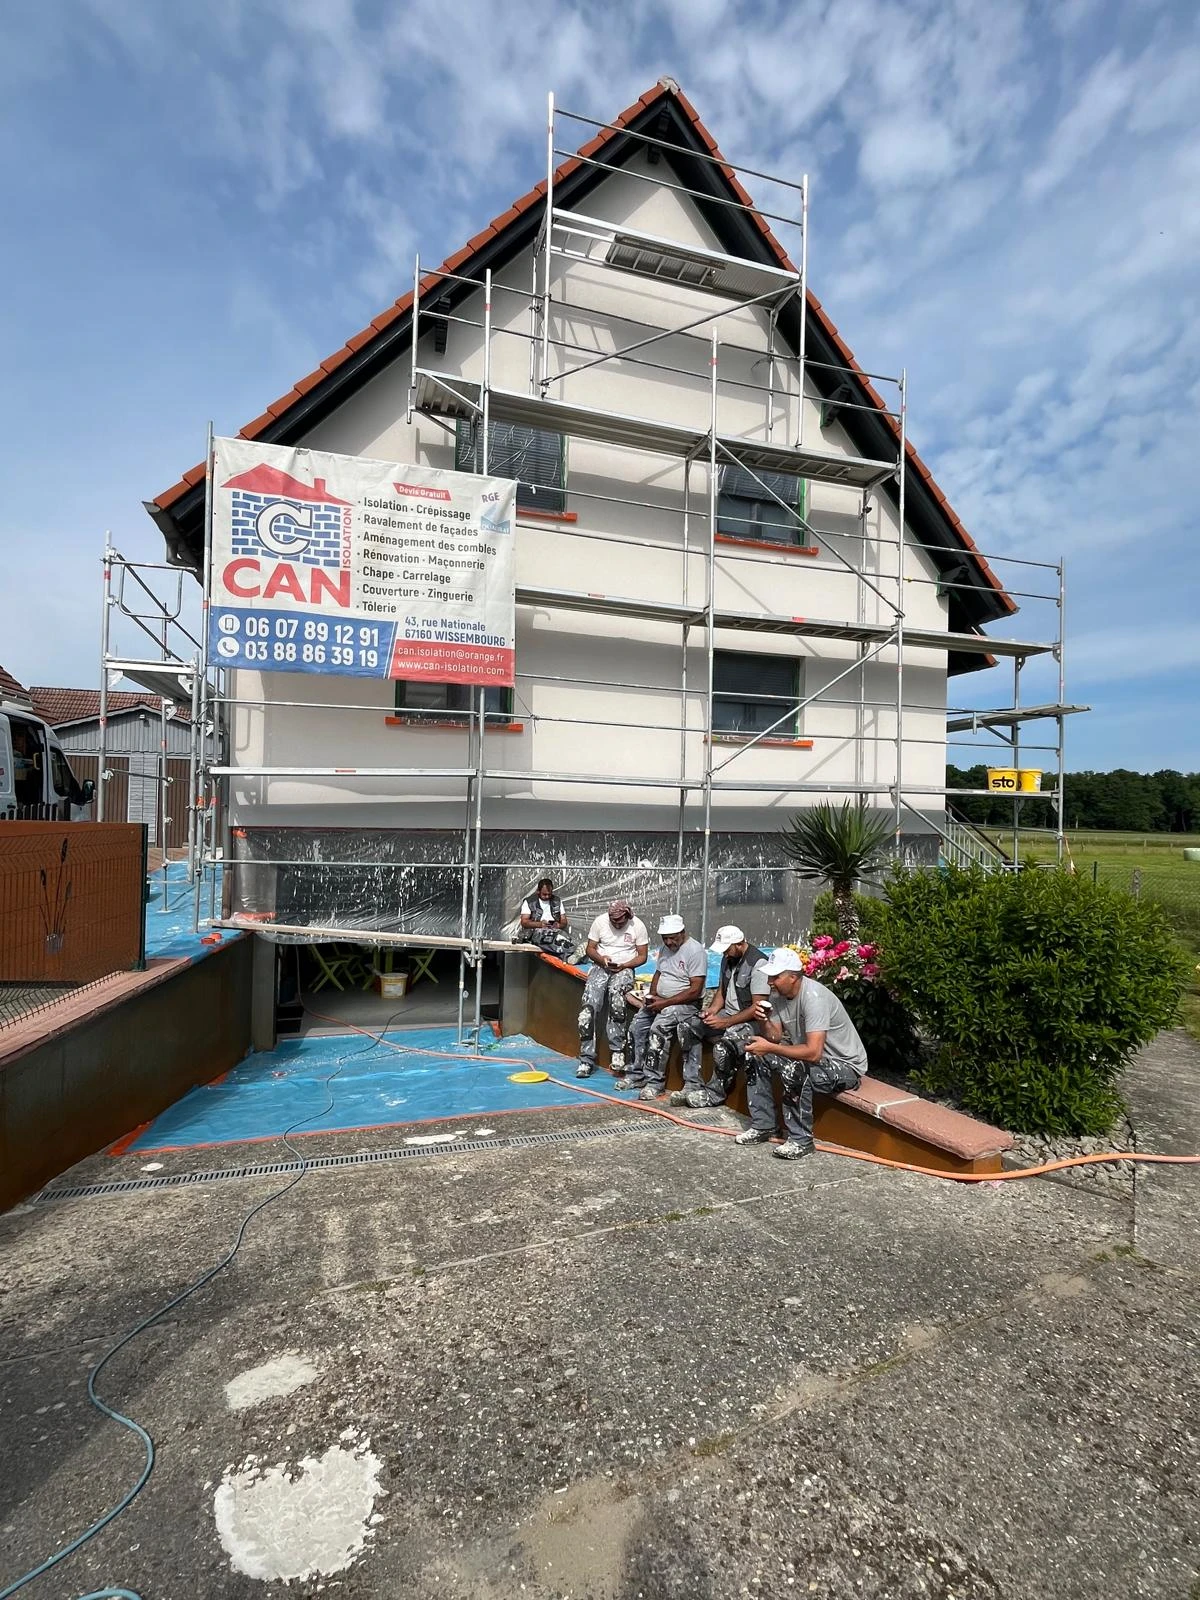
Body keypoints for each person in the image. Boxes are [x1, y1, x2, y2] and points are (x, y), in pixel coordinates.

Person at [738, 948, 868, 1159]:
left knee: (794, 1069)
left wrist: (770, 1048)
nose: (770, 981)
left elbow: (813, 1053)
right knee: (755, 1055)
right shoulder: (778, 995)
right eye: (770, 976)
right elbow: (775, 1037)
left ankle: (801, 1141)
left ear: (793, 976)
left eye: (776, 976)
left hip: (844, 1065)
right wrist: (763, 1020)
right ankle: (764, 1126)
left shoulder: (813, 997)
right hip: (813, 1060)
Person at [669, 924, 767, 1109]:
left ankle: (715, 1094)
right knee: (687, 1027)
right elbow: (722, 991)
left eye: (727, 949)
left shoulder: (758, 964)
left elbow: (757, 1007)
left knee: (723, 1047)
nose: (725, 954)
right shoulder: (728, 958)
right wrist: (711, 1011)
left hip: (751, 1022)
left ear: (739, 944)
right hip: (727, 1015)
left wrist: (725, 1022)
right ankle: (692, 1083)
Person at [622, 914, 708, 1101]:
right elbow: (658, 973)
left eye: (672, 938)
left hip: (686, 1005)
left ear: (682, 932)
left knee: (658, 1028)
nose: (669, 942)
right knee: (637, 1026)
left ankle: (655, 1082)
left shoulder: (695, 951)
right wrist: (652, 997)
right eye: (665, 938)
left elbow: (695, 990)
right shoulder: (665, 949)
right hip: (662, 1000)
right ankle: (636, 1074)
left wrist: (665, 1003)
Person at [577, 899, 649, 1079]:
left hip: (625, 968)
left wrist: (625, 965)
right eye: (613, 920)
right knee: (588, 1008)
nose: (616, 923)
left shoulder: (637, 926)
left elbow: (643, 956)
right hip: (601, 966)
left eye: (619, 920)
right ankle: (586, 1058)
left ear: (627, 915)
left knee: (617, 1000)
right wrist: (602, 960)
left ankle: (617, 1051)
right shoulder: (600, 922)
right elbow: (590, 949)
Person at [516, 877, 574, 961]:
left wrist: (558, 925)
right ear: (538, 891)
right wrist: (539, 924)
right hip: (535, 932)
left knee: (564, 938)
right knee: (548, 939)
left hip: (554, 930)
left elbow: (564, 921)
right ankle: (569, 955)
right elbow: (524, 922)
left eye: (549, 894)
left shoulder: (557, 901)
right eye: (544, 894)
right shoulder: (529, 902)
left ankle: (572, 953)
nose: (547, 896)